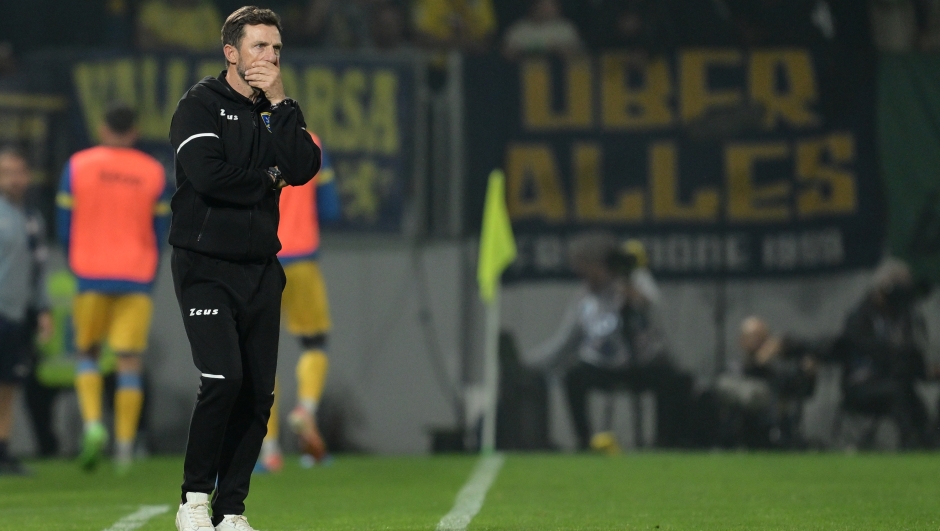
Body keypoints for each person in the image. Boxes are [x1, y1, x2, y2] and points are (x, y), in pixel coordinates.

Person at [168, 6, 320, 531]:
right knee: (222, 378)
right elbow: (208, 177)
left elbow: (304, 166)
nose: (270, 57)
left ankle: (231, 510)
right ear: (231, 52)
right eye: (259, 47)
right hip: (204, 265)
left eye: (276, 49)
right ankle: (193, 500)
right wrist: (269, 179)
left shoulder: (276, 110)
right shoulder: (199, 105)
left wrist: (280, 103)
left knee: (259, 393)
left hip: (260, 266)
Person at [56, 103, 169, 473]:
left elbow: (63, 224)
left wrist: (75, 261)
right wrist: (149, 270)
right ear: (134, 132)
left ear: (102, 128)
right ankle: (123, 446)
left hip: (89, 273)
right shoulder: (152, 172)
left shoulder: (78, 166)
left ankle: (92, 425)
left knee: (87, 353)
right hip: (135, 275)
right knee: (128, 363)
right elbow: (162, 231)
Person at [532, 233, 693, 451]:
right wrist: (531, 364)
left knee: (673, 378)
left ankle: (663, 443)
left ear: (600, 264)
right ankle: (585, 442)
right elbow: (565, 343)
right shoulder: (584, 299)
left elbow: (658, 311)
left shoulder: (634, 282)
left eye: (585, 267)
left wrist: (633, 294)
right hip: (602, 366)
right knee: (573, 377)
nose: (582, 275)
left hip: (642, 364)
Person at [256, 131, 340, 472]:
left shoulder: (245, 139)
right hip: (302, 257)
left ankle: (270, 451)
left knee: (261, 356)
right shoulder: (313, 142)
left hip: (260, 258)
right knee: (313, 342)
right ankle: (305, 408)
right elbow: (332, 208)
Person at [826, 259, 929, 449]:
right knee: (899, 393)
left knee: (915, 402)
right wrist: (900, 358)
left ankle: (927, 446)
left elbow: (910, 351)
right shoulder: (860, 316)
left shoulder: (903, 316)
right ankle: (910, 446)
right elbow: (876, 351)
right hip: (861, 386)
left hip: (894, 382)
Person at [0, 147, 51, 474]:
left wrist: (42, 309)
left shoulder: (33, 219)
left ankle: (2, 452)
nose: (13, 178)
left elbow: (38, 270)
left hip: (17, 315)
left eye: (18, 171)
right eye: (6, 171)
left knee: (8, 384)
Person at [715, 316, 818, 448]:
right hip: (740, 440)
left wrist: (809, 374)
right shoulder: (732, 371)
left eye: (763, 338)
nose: (759, 342)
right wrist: (758, 364)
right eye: (753, 337)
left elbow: (804, 392)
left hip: (776, 440)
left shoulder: (776, 373)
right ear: (741, 340)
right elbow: (745, 395)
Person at [502, 0, 583, 60]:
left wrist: (557, 50)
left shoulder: (566, 29)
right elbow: (506, 55)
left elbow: (577, 55)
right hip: (525, 76)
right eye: (546, 5)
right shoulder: (518, 30)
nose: (551, 8)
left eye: (553, 5)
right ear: (535, 6)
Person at [137, 0, 225, 52]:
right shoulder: (153, 9)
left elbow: (217, 47)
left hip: (198, 75)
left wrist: (191, 54)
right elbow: (143, 42)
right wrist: (170, 49)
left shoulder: (207, 11)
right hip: (158, 76)